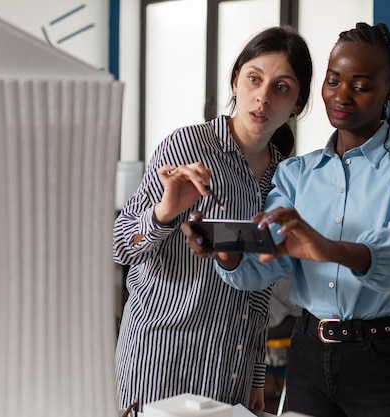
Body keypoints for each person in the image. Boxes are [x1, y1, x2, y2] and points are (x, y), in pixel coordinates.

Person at [185, 22, 390, 417]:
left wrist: (327, 248)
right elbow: (268, 264)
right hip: (308, 355)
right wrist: (224, 253)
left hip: (384, 361)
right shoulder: (296, 174)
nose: (341, 95)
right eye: (333, 80)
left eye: (360, 85)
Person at [113, 26, 313, 411]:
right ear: (236, 80)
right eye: (254, 79)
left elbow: (261, 286)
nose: (263, 97)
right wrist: (164, 212)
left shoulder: (283, 176)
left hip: (229, 364)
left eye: (281, 87)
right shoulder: (188, 146)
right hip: (160, 355)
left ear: (298, 103)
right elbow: (119, 246)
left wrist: (256, 373)